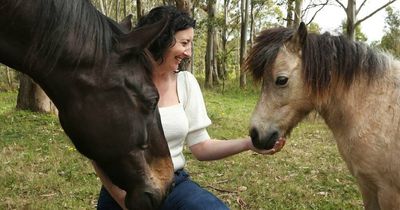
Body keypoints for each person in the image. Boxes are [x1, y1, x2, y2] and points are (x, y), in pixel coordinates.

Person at [93, 5, 286, 210]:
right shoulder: (119, 82)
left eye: (191, 44)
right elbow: (97, 151)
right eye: (184, 43)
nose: (189, 52)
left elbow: (201, 147)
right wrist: (122, 198)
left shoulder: (186, 83)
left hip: (172, 185)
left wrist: (248, 144)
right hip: (125, 190)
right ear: (161, 39)